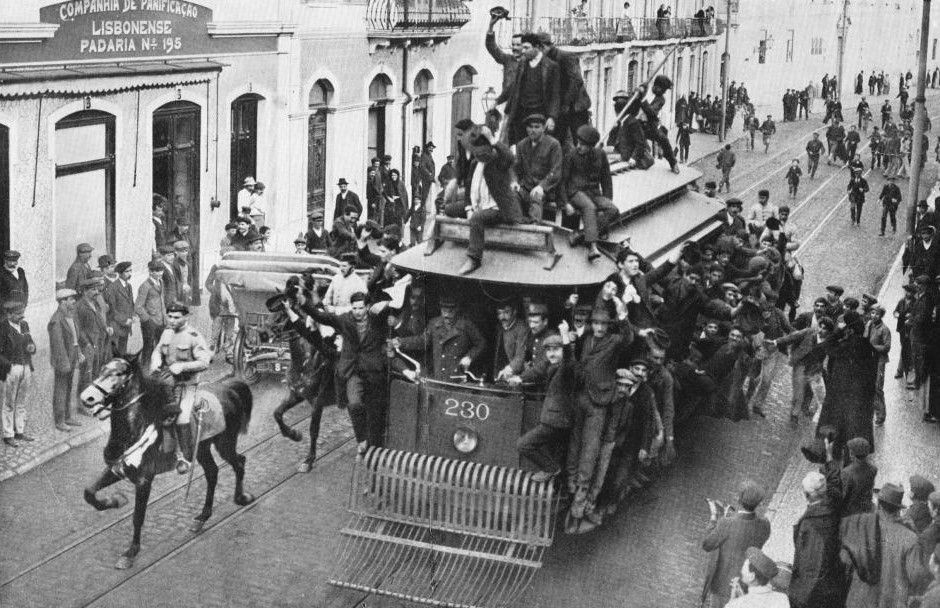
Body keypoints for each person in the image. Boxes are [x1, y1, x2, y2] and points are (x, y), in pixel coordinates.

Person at [841, 482, 932, 608]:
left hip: (859, 602)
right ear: (898, 509)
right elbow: (917, 577)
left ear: (879, 505)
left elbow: (845, 563)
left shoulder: (862, 529)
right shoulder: (910, 538)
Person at [278, 289, 338, 472]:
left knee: (317, 404)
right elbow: (303, 330)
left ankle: (311, 455)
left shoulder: (330, 327)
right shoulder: (315, 330)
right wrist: (288, 310)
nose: (310, 324)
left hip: (334, 358)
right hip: (320, 352)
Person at [149, 304, 211, 474]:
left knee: (182, 418)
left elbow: (204, 362)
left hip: (187, 385)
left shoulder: (194, 336)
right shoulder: (166, 333)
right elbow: (158, 350)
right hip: (167, 383)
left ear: (186, 317)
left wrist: (183, 366)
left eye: (176, 317)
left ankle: (185, 457)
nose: (172, 320)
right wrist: (155, 360)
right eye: (169, 316)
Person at [788, 437, 846, 608]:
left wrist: (799, 597)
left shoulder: (810, 526)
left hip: (817, 594)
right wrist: (829, 458)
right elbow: (835, 482)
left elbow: (810, 566)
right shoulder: (833, 501)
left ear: (806, 495)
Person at [511, 333, 575, 481]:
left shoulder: (567, 367)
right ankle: (556, 477)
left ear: (564, 350)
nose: (552, 354)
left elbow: (569, 360)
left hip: (557, 421)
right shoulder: (552, 365)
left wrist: (565, 337)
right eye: (549, 350)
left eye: (556, 349)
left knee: (523, 445)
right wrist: (520, 378)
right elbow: (537, 370)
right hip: (553, 419)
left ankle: (551, 469)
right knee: (555, 452)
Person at [700, 480, 771, 608]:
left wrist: (714, 517)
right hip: (746, 584)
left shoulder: (726, 523)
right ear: (758, 503)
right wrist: (730, 517)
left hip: (722, 586)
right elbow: (746, 533)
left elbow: (707, 545)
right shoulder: (765, 525)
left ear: (739, 500)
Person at [396, 294, 486, 381]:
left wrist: (469, 357)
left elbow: (481, 343)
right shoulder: (434, 323)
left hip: (458, 375)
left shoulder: (466, 325)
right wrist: (401, 342)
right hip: (438, 374)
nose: (446, 315)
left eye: (450, 312)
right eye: (444, 311)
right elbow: (422, 340)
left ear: (456, 310)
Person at [561, 125, 618, 261]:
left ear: (591, 146)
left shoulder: (600, 154)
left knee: (613, 210)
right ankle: (593, 247)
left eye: (583, 145)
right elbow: (562, 182)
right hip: (576, 192)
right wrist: (565, 203)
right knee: (589, 207)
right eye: (578, 142)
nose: (578, 146)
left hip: (594, 193)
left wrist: (607, 199)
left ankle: (580, 235)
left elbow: (606, 180)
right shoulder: (571, 155)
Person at [498, 32, 561, 145]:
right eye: (522, 47)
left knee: (538, 147)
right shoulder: (523, 63)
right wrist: (498, 101)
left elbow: (555, 95)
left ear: (537, 47)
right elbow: (514, 86)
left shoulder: (551, 66)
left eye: (526, 48)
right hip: (521, 114)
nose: (523, 51)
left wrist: (552, 117)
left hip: (540, 114)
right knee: (519, 145)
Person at [512, 113, 563, 222]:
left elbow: (556, 171)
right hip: (526, 187)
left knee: (536, 197)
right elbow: (516, 168)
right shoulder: (521, 145)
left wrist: (542, 186)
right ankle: (516, 224)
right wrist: (514, 181)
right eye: (530, 127)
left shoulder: (553, 144)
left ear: (544, 128)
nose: (533, 130)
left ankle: (534, 227)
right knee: (513, 196)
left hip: (546, 190)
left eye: (537, 127)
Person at [48, 285, 84, 433]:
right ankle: (60, 420)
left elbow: (75, 338)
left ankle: (68, 416)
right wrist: (64, 363)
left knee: (69, 387)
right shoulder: (56, 320)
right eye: (71, 299)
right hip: (63, 359)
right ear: (62, 301)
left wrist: (79, 353)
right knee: (61, 389)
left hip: (72, 355)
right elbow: (58, 345)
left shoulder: (70, 315)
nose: (74, 301)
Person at [0, 300, 35, 447]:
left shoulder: (24, 325)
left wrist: (32, 347)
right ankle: (8, 434)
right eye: (18, 313)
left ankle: (19, 431)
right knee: (9, 402)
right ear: (9, 314)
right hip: (12, 369)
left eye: (22, 312)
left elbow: (30, 341)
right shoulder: (3, 328)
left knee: (21, 400)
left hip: (26, 366)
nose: (22, 316)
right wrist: (9, 366)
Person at [135, 259, 167, 366]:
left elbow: (162, 301)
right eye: (156, 271)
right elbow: (138, 307)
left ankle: (158, 367)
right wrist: (148, 320)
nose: (160, 273)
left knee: (161, 346)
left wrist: (165, 317)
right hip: (150, 323)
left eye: (161, 270)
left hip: (161, 320)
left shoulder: (161, 282)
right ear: (150, 271)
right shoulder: (145, 286)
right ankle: (145, 368)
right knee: (148, 347)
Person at [485, 11, 522, 97]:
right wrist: (491, 26)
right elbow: (492, 48)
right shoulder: (508, 59)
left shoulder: (531, 62)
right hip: (507, 102)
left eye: (518, 45)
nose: (514, 47)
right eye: (513, 44)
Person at [102, 261, 135, 356]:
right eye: (127, 271)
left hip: (126, 326)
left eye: (130, 271)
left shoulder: (128, 286)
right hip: (116, 326)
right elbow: (112, 309)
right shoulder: (112, 287)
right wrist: (124, 320)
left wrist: (132, 316)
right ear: (120, 273)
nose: (129, 273)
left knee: (123, 352)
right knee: (115, 353)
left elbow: (131, 304)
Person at [865, 305, 891, 426]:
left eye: (877, 314)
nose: (874, 316)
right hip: (869, 360)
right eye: (872, 313)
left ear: (881, 315)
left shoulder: (884, 329)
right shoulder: (869, 325)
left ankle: (880, 416)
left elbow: (886, 347)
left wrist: (872, 347)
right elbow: (864, 338)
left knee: (877, 388)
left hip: (879, 361)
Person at [492, 299, 529, 382]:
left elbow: (520, 355)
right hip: (499, 375)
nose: (502, 317)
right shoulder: (499, 328)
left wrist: (510, 368)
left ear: (514, 312)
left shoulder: (521, 328)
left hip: (517, 375)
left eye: (506, 312)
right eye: (500, 313)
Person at [840, 437, 877, 517]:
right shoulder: (873, 469)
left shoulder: (846, 472)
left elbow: (842, 496)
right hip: (867, 510)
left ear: (852, 454)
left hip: (850, 513)